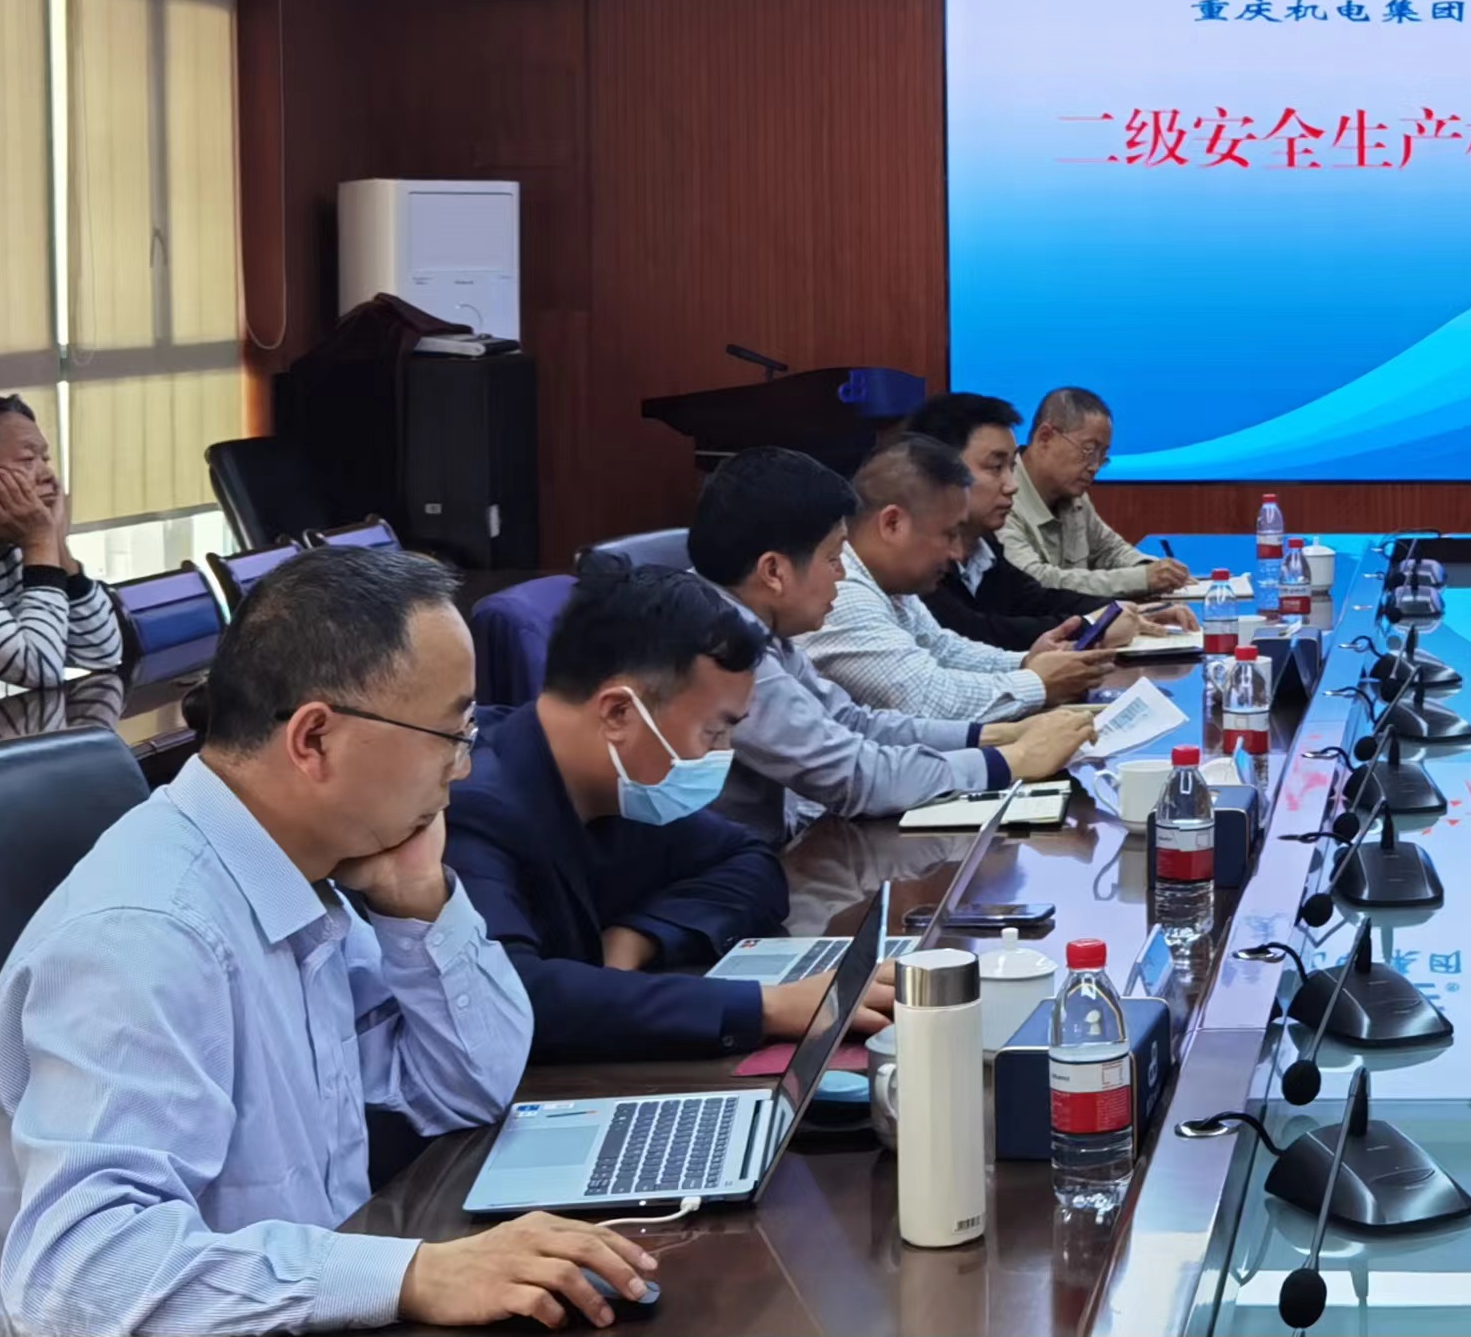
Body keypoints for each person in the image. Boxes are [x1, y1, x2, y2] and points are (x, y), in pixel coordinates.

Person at [0, 546, 658, 1334]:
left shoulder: (302, 877)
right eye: (450, 732)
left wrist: (418, 899)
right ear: (316, 738)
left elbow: (471, 1084)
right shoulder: (148, 936)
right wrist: (412, 1273)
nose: (461, 769)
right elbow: (82, 1274)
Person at [449, 559, 895, 1062]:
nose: (722, 753)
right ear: (619, 712)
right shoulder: (471, 806)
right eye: (713, 732)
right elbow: (513, 992)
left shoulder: (618, 784)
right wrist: (767, 1007)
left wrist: (638, 938)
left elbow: (749, 860)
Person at [688, 444, 1092, 847]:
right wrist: (1010, 760)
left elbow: (852, 723)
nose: (841, 574)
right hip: (739, 865)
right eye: (833, 558)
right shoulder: (720, 646)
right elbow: (850, 775)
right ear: (774, 571)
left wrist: (994, 736)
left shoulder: (754, 623)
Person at [803, 433, 1114, 721]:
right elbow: (929, 701)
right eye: (949, 534)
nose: (956, 553)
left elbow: (942, 649)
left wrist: (1026, 662)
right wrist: (1039, 681)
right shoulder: (840, 593)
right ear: (893, 523)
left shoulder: (888, 582)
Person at [910, 393, 1194, 651]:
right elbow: (974, 633)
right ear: (938, 472)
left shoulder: (985, 544)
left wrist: (1122, 612)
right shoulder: (917, 560)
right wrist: (1091, 625)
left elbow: (1037, 598)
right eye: (996, 467)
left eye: (1011, 467)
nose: (1011, 485)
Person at [0, 393, 122, 703]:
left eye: (45, 460)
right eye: (27, 460)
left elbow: (102, 652)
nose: (48, 475)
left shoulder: (7, 550)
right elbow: (41, 669)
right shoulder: (28, 546)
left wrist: (57, 544)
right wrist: (40, 543)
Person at [1003, 386, 1192, 599]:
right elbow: (1036, 581)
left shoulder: (1073, 495)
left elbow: (1110, 551)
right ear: (1044, 437)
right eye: (1089, 451)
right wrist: (1144, 578)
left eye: (1102, 456)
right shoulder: (1001, 498)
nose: (1094, 467)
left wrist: (1156, 571)